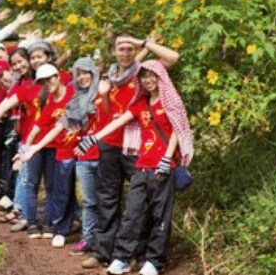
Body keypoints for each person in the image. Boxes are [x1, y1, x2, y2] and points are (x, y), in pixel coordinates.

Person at [75, 61, 193, 275]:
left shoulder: (170, 103)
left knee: (160, 215)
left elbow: (177, 129)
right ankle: (121, 257)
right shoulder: (141, 103)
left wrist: (167, 159)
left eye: (152, 76)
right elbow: (119, 122)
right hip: (142, 164)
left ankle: (154, 261)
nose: (148, 81)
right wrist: (94, 138)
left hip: (162, 167)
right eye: (144, 77)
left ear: (160, 78)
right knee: (133, 212)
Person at [20, 57, 102, 250]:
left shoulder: (78, 92)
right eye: (44, 81)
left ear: (59, 77)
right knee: (63, 190)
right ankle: (61, 229)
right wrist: (30, 147)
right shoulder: (52, 102)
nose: (48, 84)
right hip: (65, 150)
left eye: (50, 79)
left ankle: (94, 233)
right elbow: (48, 127)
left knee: (94, 194)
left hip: (90, 149)